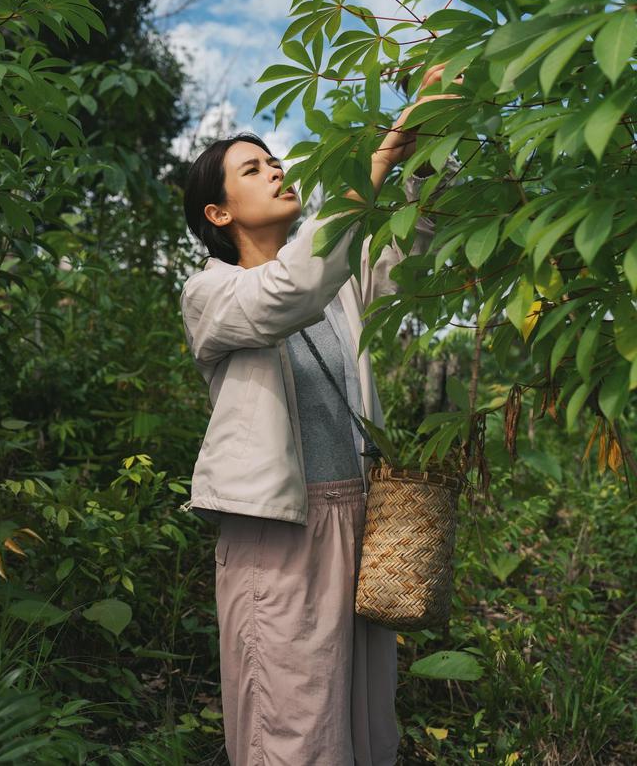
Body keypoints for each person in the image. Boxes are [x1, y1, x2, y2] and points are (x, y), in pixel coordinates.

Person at [179, 62, 463, 766]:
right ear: (219, 212)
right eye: (253, 168)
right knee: (294, 725)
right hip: (280, 532)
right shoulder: (211, 294)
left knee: (365, 724)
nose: (276, 170)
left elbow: (414, 240)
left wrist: (428, 135)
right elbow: (287, 291)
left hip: (360, 523)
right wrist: (370, 166)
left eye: (276, 160)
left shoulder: (338, 284)